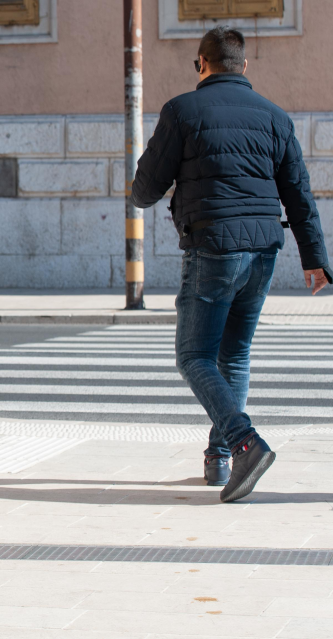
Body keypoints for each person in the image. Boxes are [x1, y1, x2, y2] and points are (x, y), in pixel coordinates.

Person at [132, 26, 331, 503]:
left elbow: (144, 190)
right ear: (244, 66)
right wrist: (316, 260)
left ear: (201, 64)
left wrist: (165, 180)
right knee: (234, 356)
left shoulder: (182, 111)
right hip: (265, 251)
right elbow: (299, 195)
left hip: (213, 247)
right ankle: (219, 461)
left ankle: (245, 444)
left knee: (194, 356)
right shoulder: (275, 117)